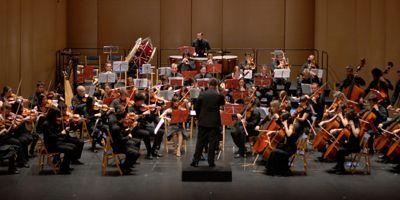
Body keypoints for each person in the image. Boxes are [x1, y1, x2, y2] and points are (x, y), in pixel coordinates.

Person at [191, 78, 225, 167]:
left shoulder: (202, 94)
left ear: (208, 84)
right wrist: (218, 91)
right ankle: (211, 162)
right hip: (214, 122)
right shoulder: (219, 95)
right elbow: (222, 103)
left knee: (200, 142)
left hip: (203, 122)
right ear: (216, 86)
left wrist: (198, 117)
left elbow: (196, 108)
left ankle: (195, 161)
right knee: (213, 143)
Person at [327, 109, 360, 175]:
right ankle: (338, 166)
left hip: (354, 146)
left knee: (340, 151)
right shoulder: (351, 122)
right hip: (349, 143)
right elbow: (347, 128)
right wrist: (338, 129)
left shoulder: (356, 123)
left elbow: (356, 134)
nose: (346, 119)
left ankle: (341, 169)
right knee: (338, 148)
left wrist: (352, 125)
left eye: (347, 118)